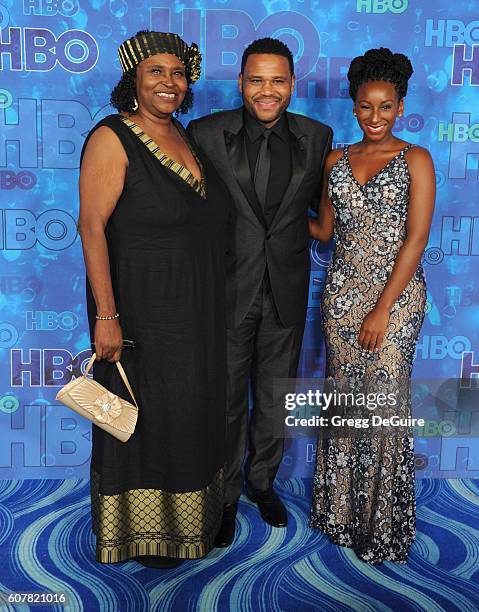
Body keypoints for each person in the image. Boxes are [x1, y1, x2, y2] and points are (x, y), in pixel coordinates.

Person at [78, 30, 228, 569]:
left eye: (178, 73)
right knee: (144, 421)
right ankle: (142, 537)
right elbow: (91, 227)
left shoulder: (186, 137)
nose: (169, 82)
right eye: (156, 72)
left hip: (193, 313)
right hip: (139, 312)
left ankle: (189, 526)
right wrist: (107, 317)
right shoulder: (113, 137)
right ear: (133, 81)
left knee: (187, 414)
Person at [187, 38, 332, 547]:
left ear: (292, 84)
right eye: (256, 80)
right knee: (226, 402)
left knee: (275, 399)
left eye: (277, 80)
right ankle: (224, 497)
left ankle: (262, 482)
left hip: (287, 290)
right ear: (241, 83)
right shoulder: (204, 133)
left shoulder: (318, 137)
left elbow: (323, 214)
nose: (266, 90)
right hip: (227, 291)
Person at [309, 48, 435, 564]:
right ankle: (339, 514)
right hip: (340, 296)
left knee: (382, 407)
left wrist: (382, 309)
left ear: (400, 107)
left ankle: (380, 527)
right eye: (366, 107)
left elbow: (416, 239)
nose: (375, 117)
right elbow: (321, 229)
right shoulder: (335, 160)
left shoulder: (416, 160)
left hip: (396, 299)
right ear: (354, 107)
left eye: (386, 107)